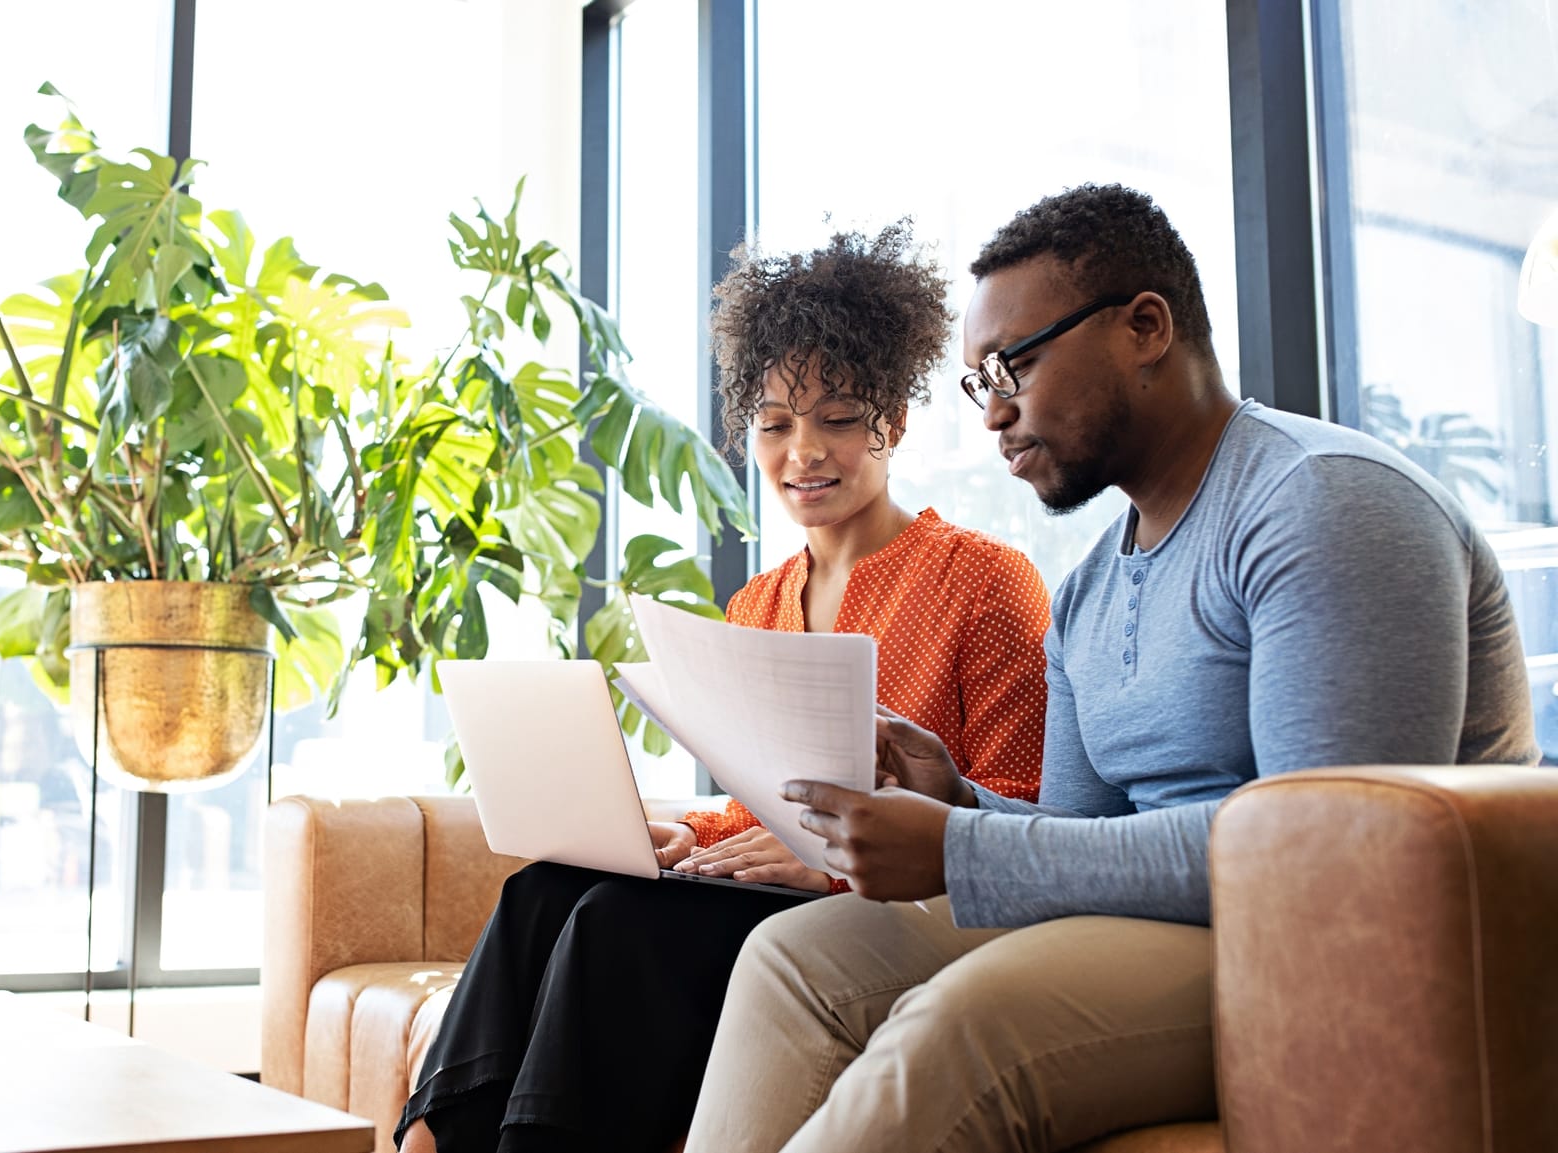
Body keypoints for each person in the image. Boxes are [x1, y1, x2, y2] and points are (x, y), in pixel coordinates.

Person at [684, 184, 1540, 1153]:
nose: (995, 411)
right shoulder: (1089, 589)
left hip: (1327, 950)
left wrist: (960, 848)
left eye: (1013, 363)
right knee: (790, 960)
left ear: (1143, 327)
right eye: (977, 382)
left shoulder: (1320, 505)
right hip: (1173, 921)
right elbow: (1079, 841)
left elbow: (1318, 859)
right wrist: (960, 799)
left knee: (965, 1022)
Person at [395, 223, 1051, 1153]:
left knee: (615, 924)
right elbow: (758, 807)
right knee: (543, 891)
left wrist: (829, 865)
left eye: (836, 417)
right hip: (772, 893)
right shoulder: (757, 602)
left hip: (889, 912)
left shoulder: (986, 582)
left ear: (894, 421)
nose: (802, 452)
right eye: (776, 422)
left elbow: (1020, 813)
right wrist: (680, 833)